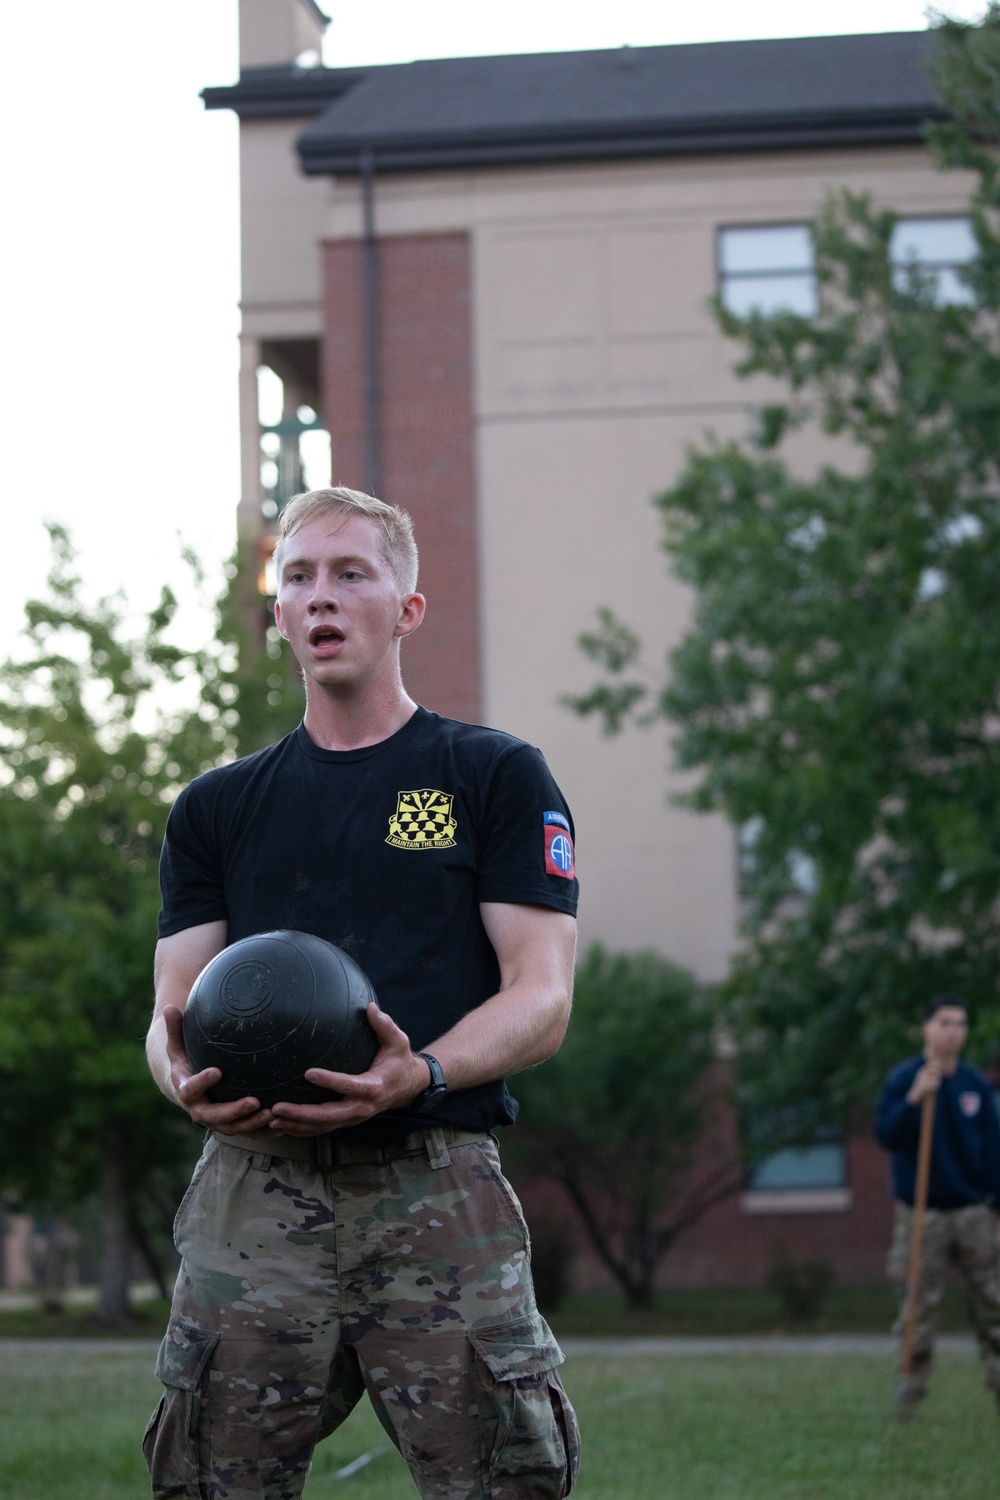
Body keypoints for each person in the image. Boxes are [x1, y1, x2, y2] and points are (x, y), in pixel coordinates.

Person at [143, 486, 582, 1500]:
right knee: (212, 1481)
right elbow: (168, 1017)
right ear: (280, 616)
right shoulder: (214, 809)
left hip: (433, 1181)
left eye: (351, 573)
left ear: (406, 608)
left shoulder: (492, 777)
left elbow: (541, 995)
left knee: (504, 1481)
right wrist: (181, 1082)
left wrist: (419, 1071)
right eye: (298, 577)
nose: (321, 597)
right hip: (254, 1189)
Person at [875, 994, 1000, 1418]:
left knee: (993, 1301)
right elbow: (887, 1135)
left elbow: (993, 1150)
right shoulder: (905, 1078)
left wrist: (997, 1207)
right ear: (926, 1028)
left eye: (960, 1024)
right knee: (917, 1305)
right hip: (922, 1211)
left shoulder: (975, 1085)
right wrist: (914, 1099)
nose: (953, 1031)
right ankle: (911, 1389)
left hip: (972, 1211)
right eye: (945, 1022)